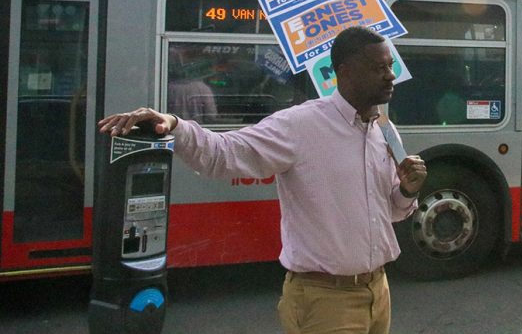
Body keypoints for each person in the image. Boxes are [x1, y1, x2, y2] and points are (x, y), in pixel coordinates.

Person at [98, 26, 427, 334]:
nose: (390, 76)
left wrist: (407, 191)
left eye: (390, 66)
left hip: (378, 290)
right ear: (344, 72)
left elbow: (391, 211)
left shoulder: (385, 129)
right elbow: (225, 154)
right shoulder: (301, 126)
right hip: (326, 299)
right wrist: (173, 124)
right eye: (379, 68)